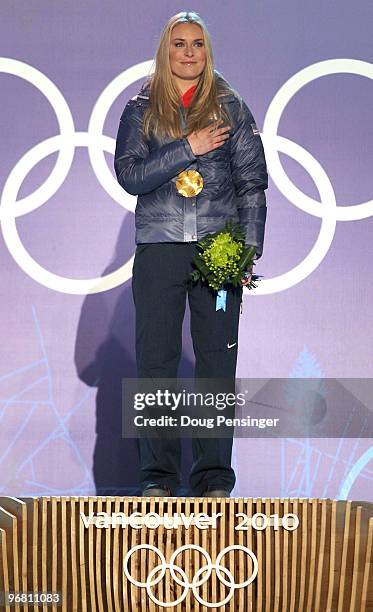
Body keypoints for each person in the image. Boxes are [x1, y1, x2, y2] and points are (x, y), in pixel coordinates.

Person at [114, 11, 268, 498]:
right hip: (159, 247)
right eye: (179, 44)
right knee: (156, 365)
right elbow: (130, 176)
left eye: (197, 44)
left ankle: (213, 482)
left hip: (218, 250)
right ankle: (157, 480)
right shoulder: (140, 107)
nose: (188, 52)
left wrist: (248, 250)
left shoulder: (232, 106)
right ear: (166, 50)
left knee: (215, 368)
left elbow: (253, 184)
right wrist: (188, 146)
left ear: (208, 50)